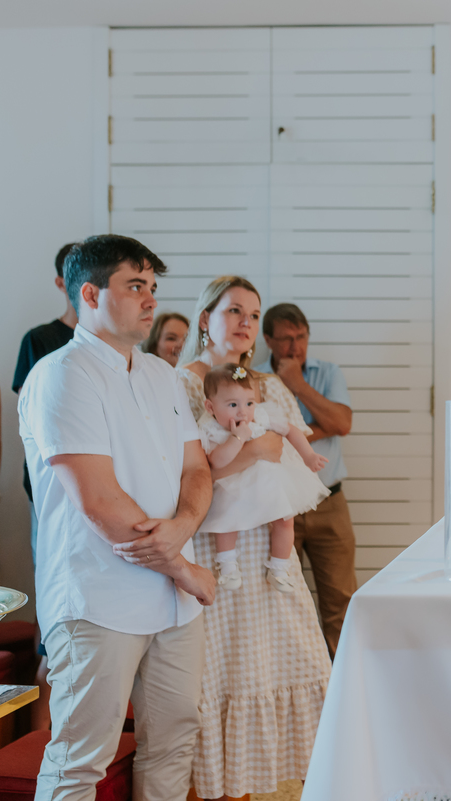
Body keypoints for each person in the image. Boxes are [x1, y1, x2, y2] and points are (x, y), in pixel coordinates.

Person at [17, 234, 216, 801]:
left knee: (175, 742)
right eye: (135, 286)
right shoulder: (62, 374)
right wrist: (186, 569)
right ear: (90, 292)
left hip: (174, 605)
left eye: (153, 287)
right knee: (82, 758)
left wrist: (180, 533)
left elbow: (196, 471)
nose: (150, 299)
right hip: (97, 597)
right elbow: (101, 504)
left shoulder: (160, 375)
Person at [177, 279, 330, 799]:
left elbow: (284, 450)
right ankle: (217, 786)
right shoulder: (180, 383)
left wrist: (260, 449)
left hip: (265, 543)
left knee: (283, 653)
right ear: (205, 318)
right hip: (212, 540)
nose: (245, 321)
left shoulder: (268, 384)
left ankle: (264, 784)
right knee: (220, 668)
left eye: (253, 313)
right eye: (233, 310)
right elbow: (190, 471)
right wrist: (251, 450)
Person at [258, 303, 356, 657]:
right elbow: (258, 439)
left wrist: (297, 385)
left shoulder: (327, 372)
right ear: (268, 339)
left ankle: (344, 682)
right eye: (285, 339)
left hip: (331, 502)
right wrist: (313, 429)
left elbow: (342, 424)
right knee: (281, 599)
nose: (294, 347)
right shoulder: (253, 379)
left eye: (300, 337)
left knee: (340, 600)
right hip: (280, 507)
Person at [13, 242, 80, 731]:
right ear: (65, 283)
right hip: (51, 495)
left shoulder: (124, 347)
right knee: (55, 618)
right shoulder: (41, 339)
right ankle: (38, 743)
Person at [196, 362, 329, 592]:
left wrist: (308, 455)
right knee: (226, 520)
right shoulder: (209, 428)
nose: (243, 411)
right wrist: (237, 438)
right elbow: (216, 461)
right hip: (233, 484)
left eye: (249, 402)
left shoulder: (261, 415)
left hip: (267, 481)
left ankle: (279, 567)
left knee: (285, 520)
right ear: (210, 407)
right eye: (232, 404)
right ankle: (227, 566)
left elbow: (290, 430)